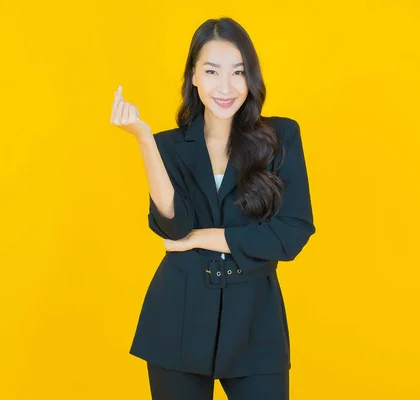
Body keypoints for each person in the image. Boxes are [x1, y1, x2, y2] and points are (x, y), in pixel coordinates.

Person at [109, 17, 316, 400]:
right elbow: (174, 228)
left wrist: (204, 238)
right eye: (211, 71)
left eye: (238, 72)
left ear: (251, 77)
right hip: (177, 317)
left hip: (256, 321)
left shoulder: (281, 137)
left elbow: (291, 233)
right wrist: (143, 141)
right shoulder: (168, 146)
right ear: (193, 76)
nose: (225, 87)